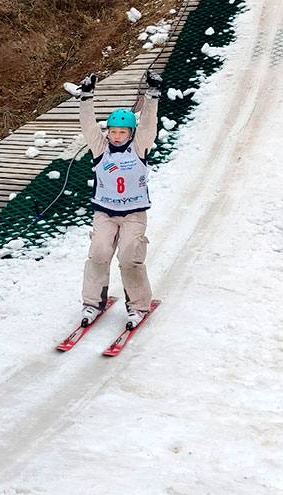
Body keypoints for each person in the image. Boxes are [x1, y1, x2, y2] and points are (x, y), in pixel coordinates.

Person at [77, 69, 162, 329]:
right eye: (113, 131)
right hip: (104, 212)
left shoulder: (139, 147)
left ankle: (137, 306)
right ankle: (92, 302)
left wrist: (152, 96)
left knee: (129, 257)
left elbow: (148, 125)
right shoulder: (100, 149)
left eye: (122, 132)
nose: (116, 136)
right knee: (99, 253)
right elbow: (88, 126)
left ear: (130, 133)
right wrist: (86, 97)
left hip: (133, 214)